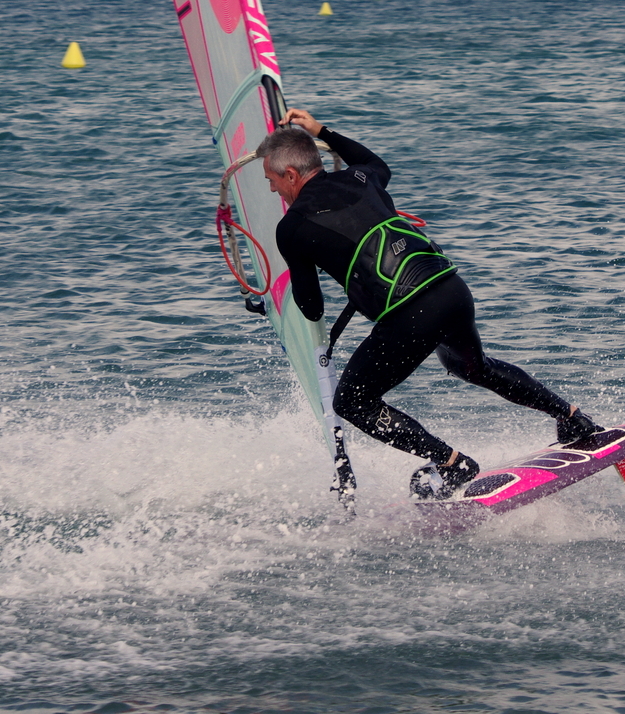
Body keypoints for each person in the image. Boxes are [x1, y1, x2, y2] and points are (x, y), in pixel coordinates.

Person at [257, 108, 602, 499]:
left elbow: (312, 309)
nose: (271, 189)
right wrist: (321, 129)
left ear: (291, 175)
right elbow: (375, 162)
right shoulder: (362, 177)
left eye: (271, 179)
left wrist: (290, 280)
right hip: (451, 290)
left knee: (352, 402)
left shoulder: (292, 227)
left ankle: (451, 463)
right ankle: (572, 418)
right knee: (472, 366)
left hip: (411, 315)